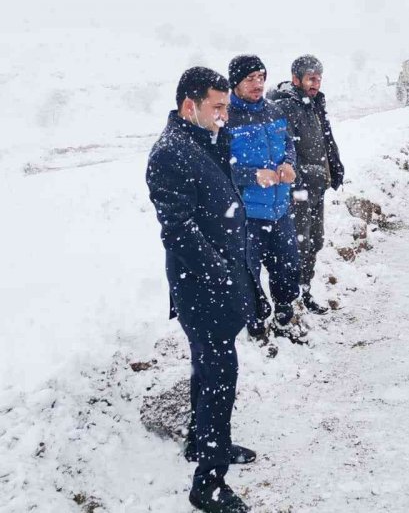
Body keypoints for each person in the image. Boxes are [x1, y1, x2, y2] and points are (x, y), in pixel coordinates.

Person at [145, 67, 257, 513]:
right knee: (219, 377)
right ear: (188, 106)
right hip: (203, 288)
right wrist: (224, 277)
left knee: (208, 369)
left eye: (226, 106)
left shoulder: (205, 140)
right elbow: (179, 231)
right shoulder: (170, 153)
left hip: (222, 282)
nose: (224, 115)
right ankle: (208, 482)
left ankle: (202, 441)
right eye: (217, 107)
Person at [226, 54, 303, 341]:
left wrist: (289, 165)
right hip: (247, 214)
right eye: (250, 79)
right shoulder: (227, 119)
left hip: (279, 208)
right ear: (236, 83)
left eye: (261, 77)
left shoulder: (274, 111)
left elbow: (288, 145)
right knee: (248, 273)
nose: (258, 84)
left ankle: (284, 315)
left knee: (287, 265)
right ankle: (257, 324)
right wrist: (251, 175)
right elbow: (220, 167)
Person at [267, 55, 345, 315]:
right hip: (297, 189)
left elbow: (325, 139)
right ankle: (291, 298)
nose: (316, 83)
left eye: (319, 78)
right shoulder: (285, 107)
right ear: (295, 78)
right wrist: (300, 178)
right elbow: (284, 150)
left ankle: (305, 290)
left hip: (316, 186)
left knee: (315, 241)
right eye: (311, 78)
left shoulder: (314, 103)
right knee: (299, 243)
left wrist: (334, 166)